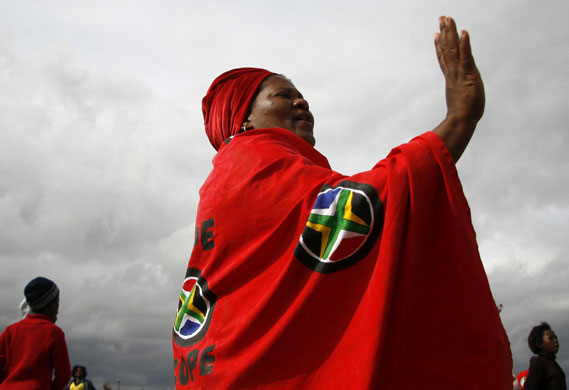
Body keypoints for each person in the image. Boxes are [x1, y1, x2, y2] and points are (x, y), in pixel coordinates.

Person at [172, 16, 512, 389]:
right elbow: (362, 206)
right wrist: (459, 119)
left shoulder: (234, 176)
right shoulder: (250, 164)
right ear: (245, 120)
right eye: (283, 95)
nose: (301, 101)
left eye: (301, 95)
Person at [0, 276, 71, 389]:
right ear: (52, 306)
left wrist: (7, 383)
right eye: (57, 301)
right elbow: (64, 375)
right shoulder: (54, 333)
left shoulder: (10, 331)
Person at [524, 322, 566, 390]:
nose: (556, 341)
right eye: (551, 338)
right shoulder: (538, 362)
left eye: (556, 338)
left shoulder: (553, 363)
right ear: (539, 343)